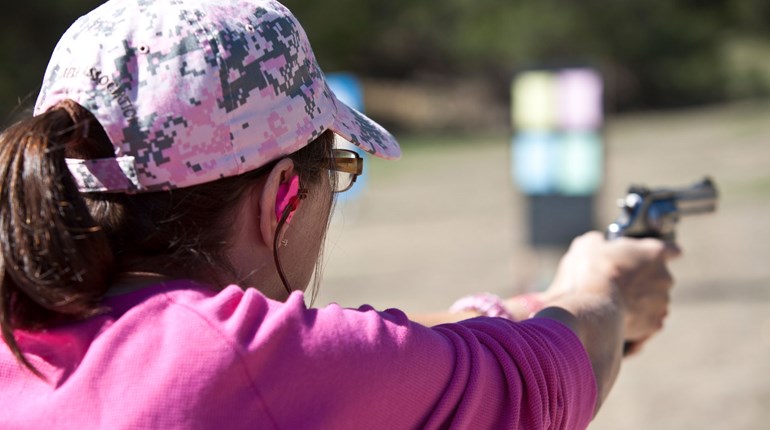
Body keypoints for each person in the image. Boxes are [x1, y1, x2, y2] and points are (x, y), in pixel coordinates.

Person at [0, 0, 678, 428]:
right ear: (283, 198)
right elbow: (542, 386)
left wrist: (525, 303)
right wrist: (603, 289)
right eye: (337, 171)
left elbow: (351, 343)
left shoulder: (29, 322)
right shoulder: (224, 356)